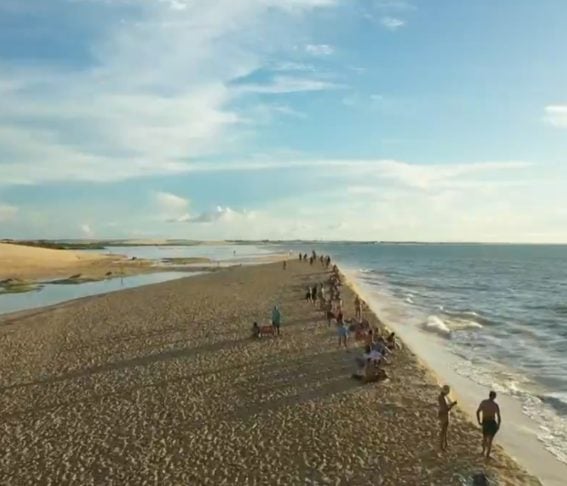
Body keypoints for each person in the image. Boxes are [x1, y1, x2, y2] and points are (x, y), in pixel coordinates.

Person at [476, 391, 501, 459]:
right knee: (490, 440)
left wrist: (479, 421)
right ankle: (487, 454)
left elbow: (478, 412)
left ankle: (483, 451)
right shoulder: (495, 405)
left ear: (489, 395)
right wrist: (498, 425)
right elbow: (499, 417)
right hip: (492, 422)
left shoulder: (484, 402)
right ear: (494, 397)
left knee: (484, 438)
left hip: (485, 421)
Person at [438, 385, 457, 451]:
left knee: (444, 430)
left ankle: (445, 443)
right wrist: (453, 405)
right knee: (443, 430)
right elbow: (446, 408)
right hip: (444, 415)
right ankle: (441, 445)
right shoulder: (443, 398)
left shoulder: (441, 397)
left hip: (442, 414)